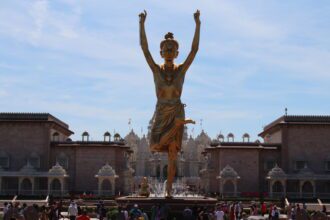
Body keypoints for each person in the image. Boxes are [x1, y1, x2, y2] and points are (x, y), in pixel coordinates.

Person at [139, 9, 200, 197]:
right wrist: (141, 24)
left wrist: (198, 25)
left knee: (173, 154)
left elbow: (194, 51)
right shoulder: (156, 70)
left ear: (176, 52)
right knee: (153, 146)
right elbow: (145, 49)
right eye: (166, 49)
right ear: (161, 51)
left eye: (172, 49)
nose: (169, 52)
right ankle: (164, 188)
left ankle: (168, 191)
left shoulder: (181, 70)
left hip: (175, 113)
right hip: (161, 112)